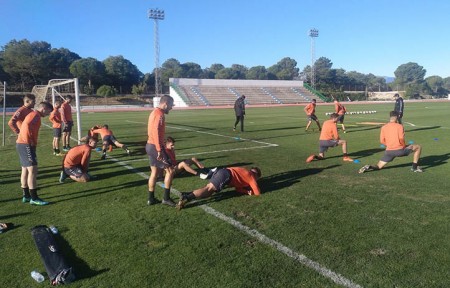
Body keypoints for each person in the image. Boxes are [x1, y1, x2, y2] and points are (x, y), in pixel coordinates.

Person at [15, 101, 53, 205]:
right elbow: (26, 126)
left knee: (25, 170)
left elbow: (24, 125)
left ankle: (26, 196)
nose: (48, 114)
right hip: (25, 144)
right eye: (48, 112)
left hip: (21, 144)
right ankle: (34, 198)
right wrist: (29, 142)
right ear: (43, 109)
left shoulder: (32, 114)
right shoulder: (36, 115)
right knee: (33, 170)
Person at [176, 166, 262, 210]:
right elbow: (258, 192)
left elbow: (238, 188)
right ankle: (186, 197)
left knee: (208, 191)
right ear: (256, 176)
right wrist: (253, 192)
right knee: (209, 189)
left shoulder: (245, 173)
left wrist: (246, 192)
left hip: (223, 172)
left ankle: (186, 194)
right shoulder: (251, 177)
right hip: (226, 175)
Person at [146, 95, 176, 207]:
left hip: (150, 145)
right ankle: (166, 198)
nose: (171, 108)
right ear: (166, 104)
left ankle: (151, 199)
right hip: (155, 146)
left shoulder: (154, 112)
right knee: (170, 171)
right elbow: (155, 132)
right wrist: (159, 149)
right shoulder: (160, 114)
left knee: (154, 172)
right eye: (171, 105)